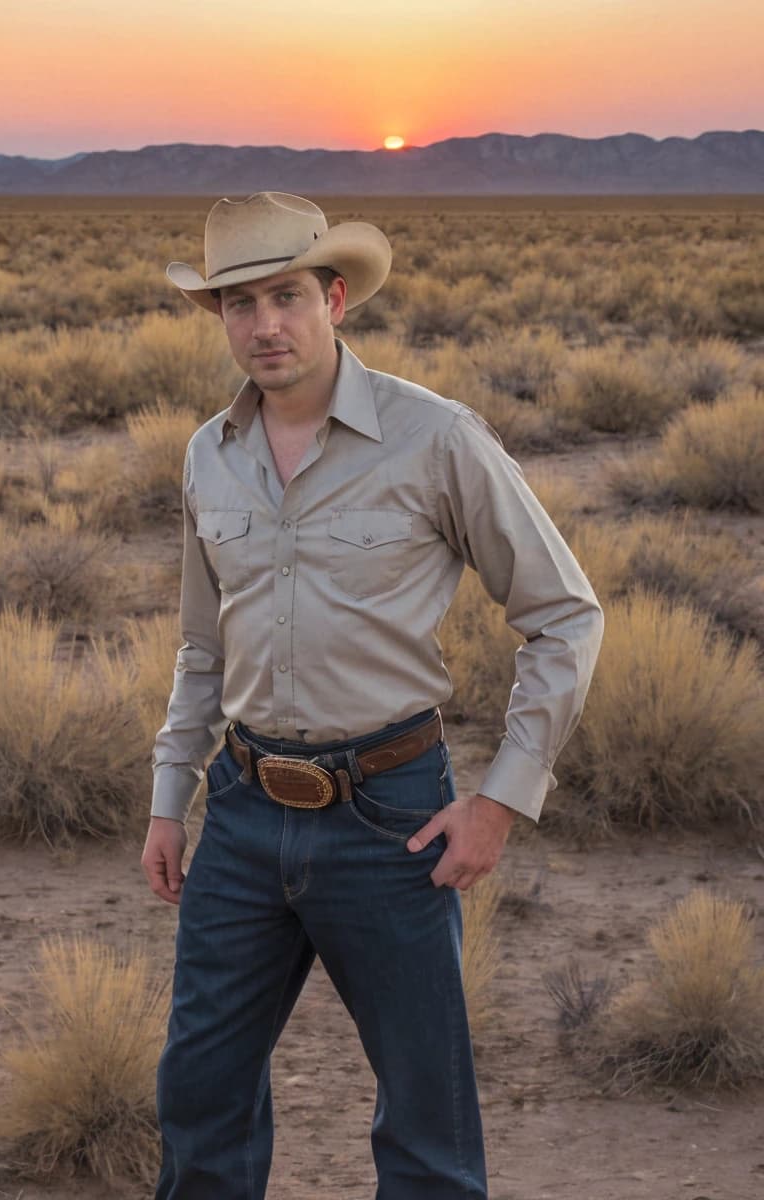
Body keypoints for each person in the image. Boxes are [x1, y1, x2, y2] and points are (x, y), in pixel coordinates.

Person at [141, 191, 604, 1199]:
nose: (264, 323)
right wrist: (168, 797)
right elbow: (199, 645)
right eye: (238, 303)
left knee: (423, 1122)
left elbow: (564, 615)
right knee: (199, 1099)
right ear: (216, 318)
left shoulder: (433, 438)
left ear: (334, 298)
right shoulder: (205, 456)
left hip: (391, 818)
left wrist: (497, 800)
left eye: (285, 295)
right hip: (244, 813)